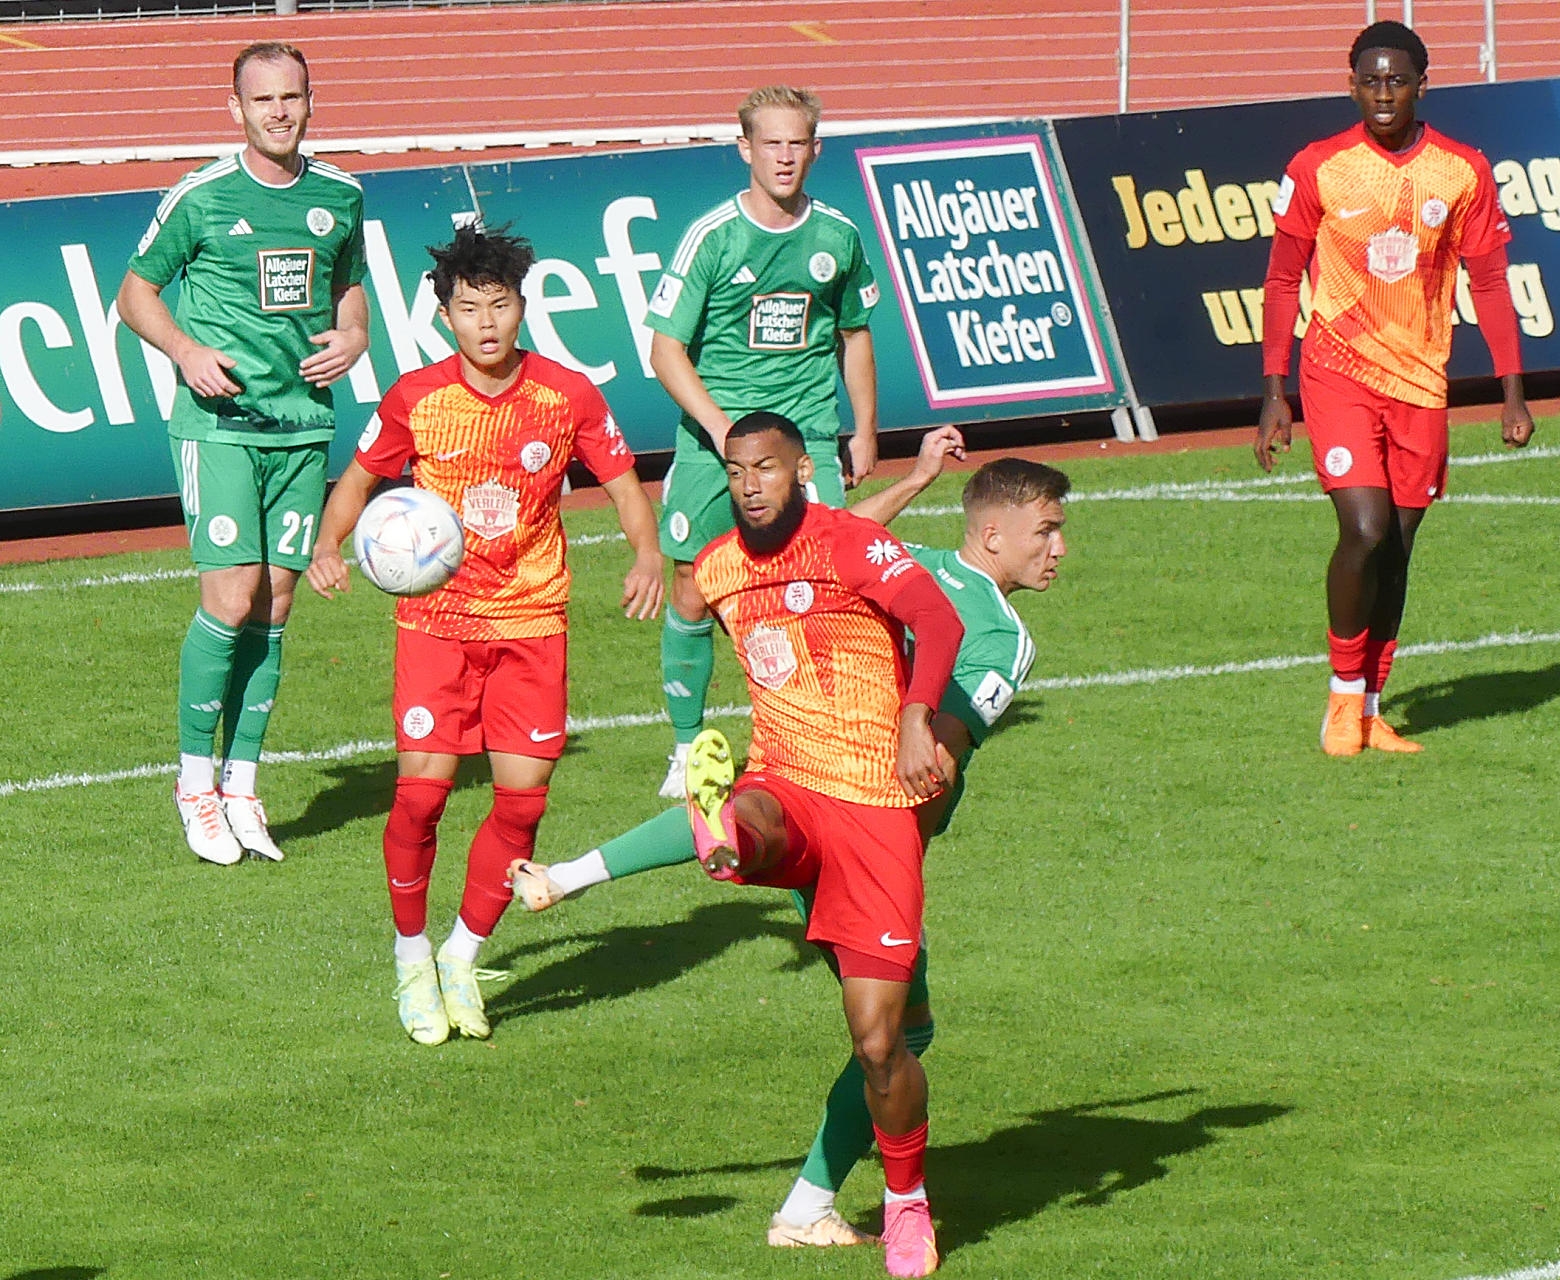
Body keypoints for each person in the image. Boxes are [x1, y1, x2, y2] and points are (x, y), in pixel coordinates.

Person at [509, 433, 1071, 1251]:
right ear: (994, 534)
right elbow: (935, 763)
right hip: (875, 833)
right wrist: (900, 828)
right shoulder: (1002, 635)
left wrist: (915, 479)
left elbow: (844, 532)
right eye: (1047, 531)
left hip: (806, 792)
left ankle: (659, 851)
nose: (1058, 550)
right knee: (897, 1038)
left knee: (760, 821)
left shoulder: (907, 557)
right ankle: (826, 1207)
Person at [304, 226, 664, 1046]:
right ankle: (410, 959)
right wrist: (328, 544)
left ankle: (462, 956)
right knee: (422, 797)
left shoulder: (566, 396)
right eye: (469, 309)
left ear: (521, 307)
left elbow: (623, 484)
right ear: (446, 317)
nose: (486, 323)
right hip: (437, 625)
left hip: (532, 622)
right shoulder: (416, 398)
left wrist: (646, 554)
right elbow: (359, 479)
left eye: (499, 305)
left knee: (522, 803)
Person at [678, 411, 960, 1276]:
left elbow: (937, 620)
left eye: (765, 468)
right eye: (736, 471)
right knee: (758, 816)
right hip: (789, 781)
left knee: (882, 1044)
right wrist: (685, 731)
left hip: (874, 806)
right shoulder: (720, 567)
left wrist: (915, 719)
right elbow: (685, 619)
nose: (749, 485)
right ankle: (727, 829)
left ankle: (906, 1205)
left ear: (801, 471)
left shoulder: (850, 545)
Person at [118, 41, 370, 864]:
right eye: (263, 100)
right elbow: (135, 294)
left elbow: (349, 286)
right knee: (229, 600)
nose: (279, 112)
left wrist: (356, 334)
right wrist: (187, 351)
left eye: (291, 97)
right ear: (236, 109)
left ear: (310, 101)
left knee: (275, 605)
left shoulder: (341, 195)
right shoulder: (200, 197)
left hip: (303, 427)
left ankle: (242, 788)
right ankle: (195, 785)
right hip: (219, 427)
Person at [1254, 20, 1534, 755]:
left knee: (1398, 549)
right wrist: (1274, 388)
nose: (1384, 94)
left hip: (1421, 381)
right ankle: (1342, 699)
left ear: (1421, 86)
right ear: (1351, 86)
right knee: (1365, 529)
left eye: (1397, 80)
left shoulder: (1462, 170)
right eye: (1371, 80)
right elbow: (1282, 280)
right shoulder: (1318, 166)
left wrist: (1511, 390)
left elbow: (1490, 281)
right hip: (1337, 370)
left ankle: (1373, 709)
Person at [646, 84, 883, 800]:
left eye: (797, 143)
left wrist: (865, 428)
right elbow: (664, 351)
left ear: (816, 149)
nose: (784, 157)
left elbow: (854, 335)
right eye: (771, 143)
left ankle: (819, 737)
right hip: (713, 442)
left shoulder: (838, 236)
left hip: (806, 436)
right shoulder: (713, 237)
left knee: (823, 584)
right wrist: (727, 436)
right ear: (744, 148)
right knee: (692, 590)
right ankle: (686, 748)